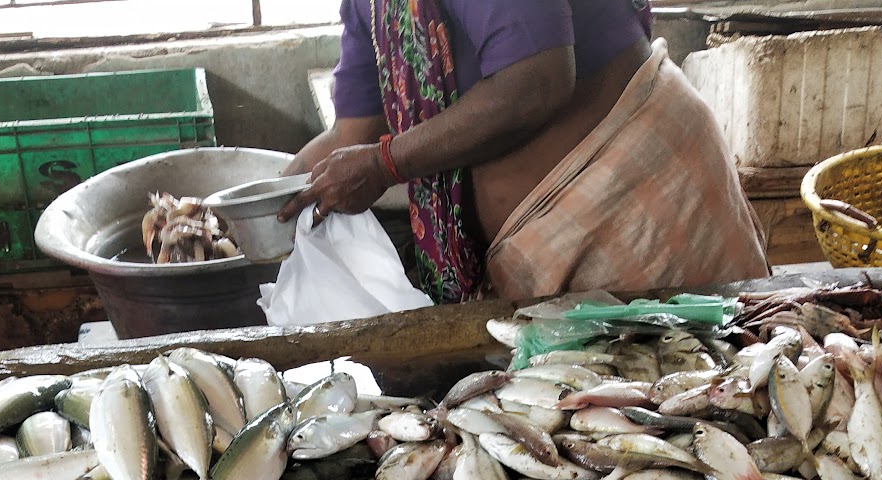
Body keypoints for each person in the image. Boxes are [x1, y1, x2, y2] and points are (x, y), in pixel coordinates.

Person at [281, 0, 769, 305]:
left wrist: (385, 163)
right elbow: (350, 136)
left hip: (636, 198)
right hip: (538, 259)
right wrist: (265, 202)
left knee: (703, 401)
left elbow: (538, 78)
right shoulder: (370, 7)